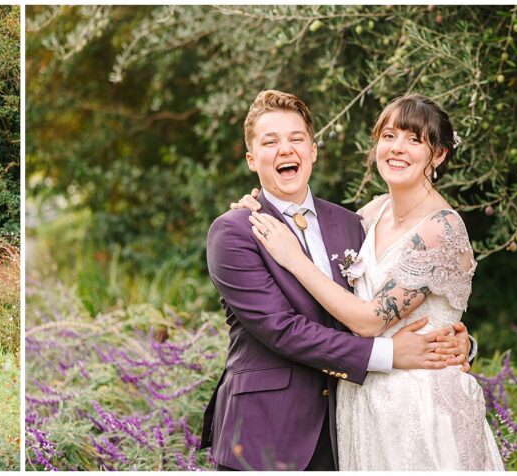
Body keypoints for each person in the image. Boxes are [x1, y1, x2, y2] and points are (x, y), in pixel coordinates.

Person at [201, 90, 476, 471]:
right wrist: (391, 354)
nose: (286, 150)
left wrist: (459, 342)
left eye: (296, 138)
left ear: (313, 150)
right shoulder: (236, 231)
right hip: (268, 430)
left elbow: (409, 297)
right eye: (271, 142)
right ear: (252, 159)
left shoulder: (351, 223)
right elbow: (283, 330)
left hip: (347, 426)